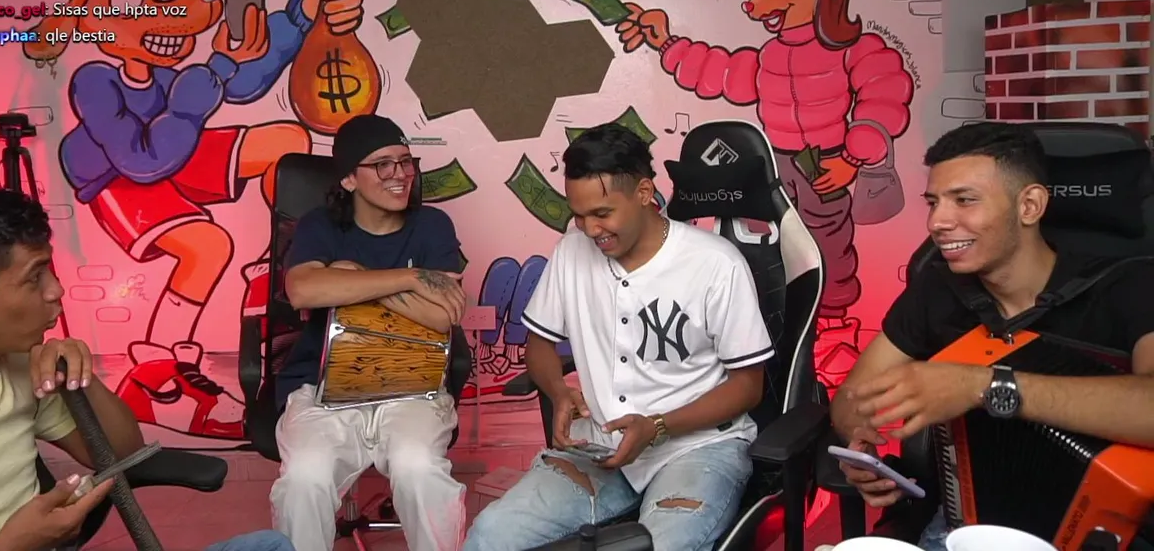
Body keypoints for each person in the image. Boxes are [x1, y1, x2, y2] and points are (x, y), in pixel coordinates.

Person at [0, 187, 293, 551]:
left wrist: (80, 377)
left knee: (271, 546)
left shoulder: (20, 368)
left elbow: (124, 454)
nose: (56, 290)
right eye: (34, 277)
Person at [830, 122, 1154, 550]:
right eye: (933, 202)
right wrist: (861, 444)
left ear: (1030, 205)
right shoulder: (937, 289)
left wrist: (983, 386)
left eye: (964, 200)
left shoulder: (1131, 285)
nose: (937, 222)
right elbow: (853, 396)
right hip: (962, 524)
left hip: (1102, 530)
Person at [463, 124, 774, 551]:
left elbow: (748, 386)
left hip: (698, 447)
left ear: (644, 193)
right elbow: (539, 345)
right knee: (490, 536)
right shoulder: (572, 252)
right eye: (579, 215)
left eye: (602, 213)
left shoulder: (716, 264)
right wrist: (558, 392)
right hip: (601, 447)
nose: (590, 229)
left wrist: (657, 427)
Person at [270, 114, 469, 551]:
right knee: (305, 478)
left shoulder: (432, 225)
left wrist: (352, 278)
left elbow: (443, 316)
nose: (400, 174)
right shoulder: (320, 226)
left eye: (405, 162)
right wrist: (411, 279)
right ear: (348, 179)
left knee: (419, 469)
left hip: (414, 387)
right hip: (323, 389)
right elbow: (303, 290)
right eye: (382, 164)